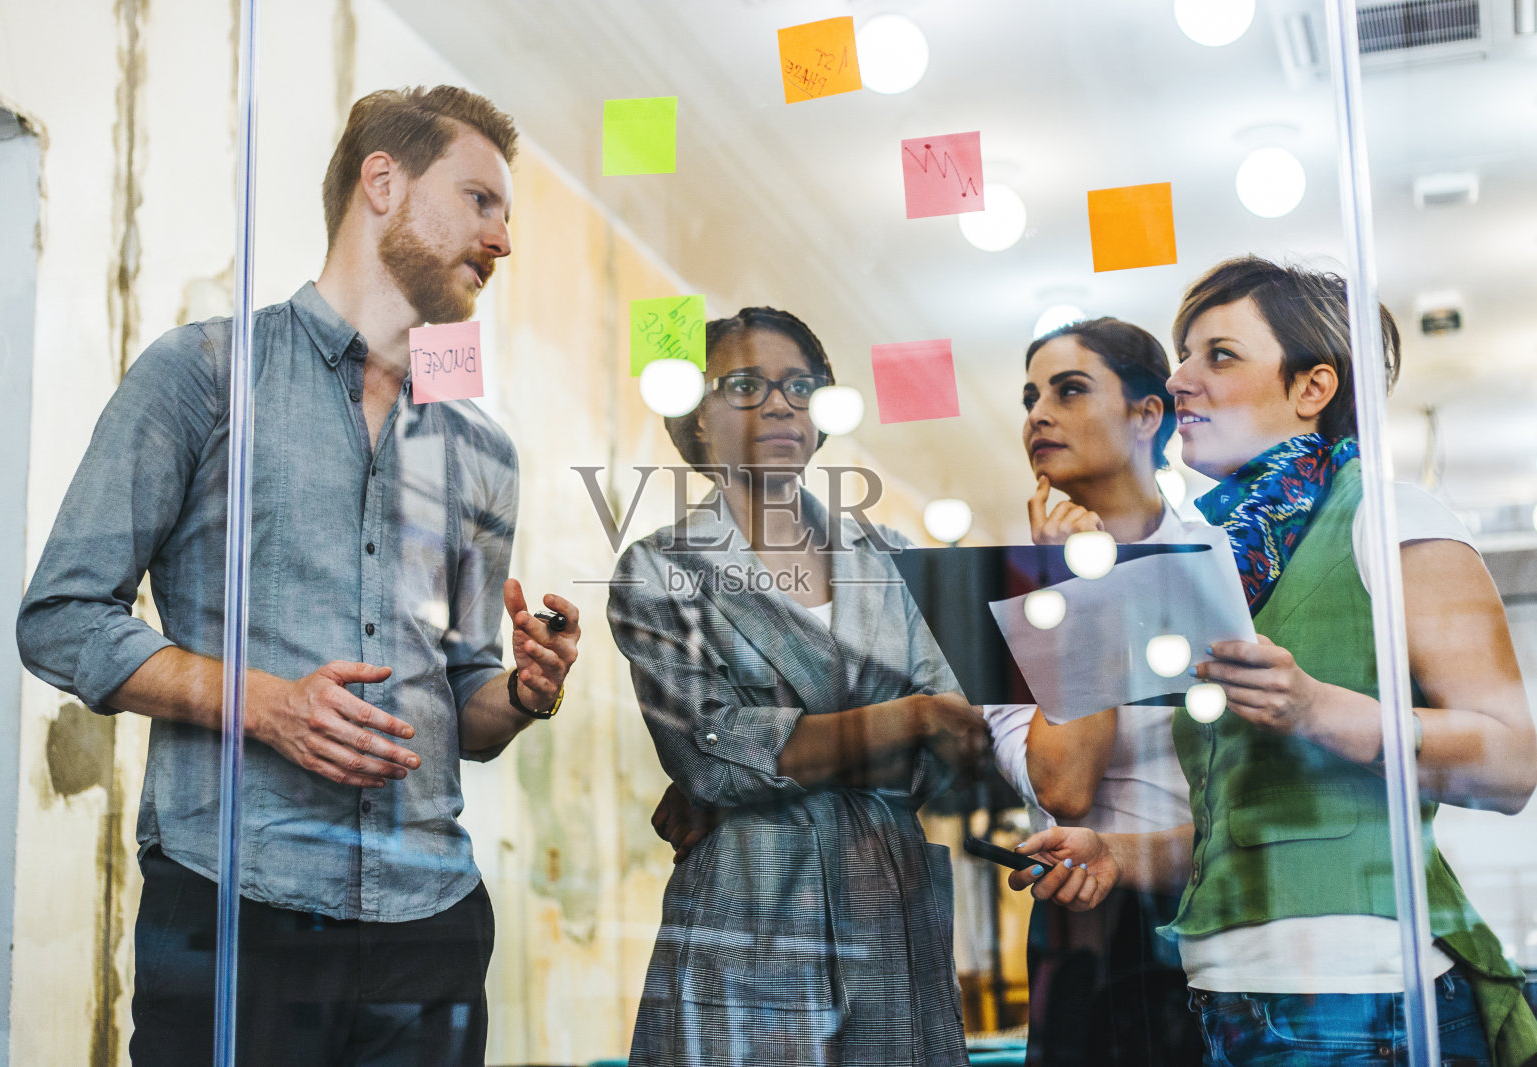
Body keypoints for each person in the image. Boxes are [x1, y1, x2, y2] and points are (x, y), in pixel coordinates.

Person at [16, 86, 579, 1067]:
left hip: (431, 919)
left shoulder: (485, 451)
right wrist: (263, 703)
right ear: (382, 182)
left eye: (507, 213)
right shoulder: (201, 373)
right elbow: (60, 616)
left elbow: (465, 707)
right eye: (481, 200)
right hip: (236, 904)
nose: (503, 239)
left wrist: (523, 693)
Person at [1007, 256, 1537, 1065]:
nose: (1181, 379)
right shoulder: (1200, 560)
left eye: (1217, 354)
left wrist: (1317, 708)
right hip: (1223, 1001)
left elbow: (1511, 762)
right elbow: (1246, 825)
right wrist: (1121, 852)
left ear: (1312, 388)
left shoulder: (1391, 518)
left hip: (1365, 1000)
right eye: (1184, 354)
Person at [606, 306, 992, 1067]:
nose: (781, 403)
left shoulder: (893, 558)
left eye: (799, 386)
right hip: (746, 909)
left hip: (891, 907)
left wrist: (777, 752)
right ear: (696, 420)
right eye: (745, 384)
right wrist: (906, 717)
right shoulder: (658, 569)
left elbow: (954, 748)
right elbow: (711, 753)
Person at [984, 317, 1204, 1065]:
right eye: (1029, 396)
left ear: (1148, 415)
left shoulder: (1222, 559)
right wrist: (1078, 584)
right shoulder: (1012, 597)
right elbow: (1066, 782)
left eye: (1069, 389)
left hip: (1220, 912)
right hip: (1080, 933)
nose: (1037, 413)